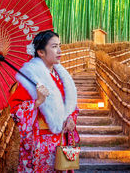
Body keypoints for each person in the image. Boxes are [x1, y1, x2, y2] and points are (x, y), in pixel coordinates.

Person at [9, 30, 79, 173]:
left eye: (60, 46)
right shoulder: (30, 80)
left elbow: (72, 106)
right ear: (41, 52)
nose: (59, 51)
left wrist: (71, 118)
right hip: (40, 143)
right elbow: (16, 112)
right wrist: (38, 101)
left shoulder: (62, 77)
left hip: (61, 140)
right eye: (54, 47)